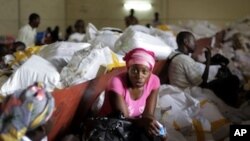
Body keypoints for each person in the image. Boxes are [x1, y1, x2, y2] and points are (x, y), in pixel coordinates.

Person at [99, 48, 167, 141]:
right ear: (128, 69)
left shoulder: (154, 81)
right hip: (110, 125)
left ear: (150, 72)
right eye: (134, 70)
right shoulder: (116, 83)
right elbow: (122, 119)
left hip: (135, 123)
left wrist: (156, 128)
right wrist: (144, 122)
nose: (139, 76)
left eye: (144, 72)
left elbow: (148, 114)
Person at [167, 31, 240, 107]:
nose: (196, 44)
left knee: (224, 81)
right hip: (189, 93)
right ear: (186, 42)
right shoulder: (185, 60)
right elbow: (203, 84)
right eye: (194, 41)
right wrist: (208, 60)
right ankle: (233, 106)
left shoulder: (175, 55)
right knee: (233, 80)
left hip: (184, 90)